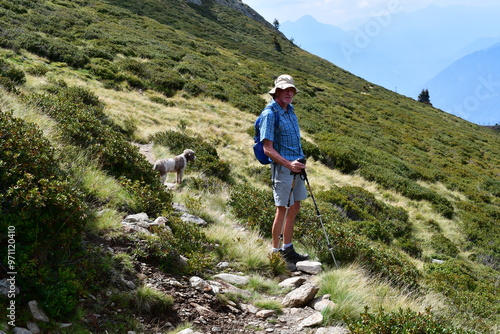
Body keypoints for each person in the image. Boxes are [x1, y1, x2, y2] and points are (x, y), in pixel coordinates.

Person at [258, 74, 309, 264]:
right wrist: (289, 164)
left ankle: (288, 249)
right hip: (283, 169)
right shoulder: (270, 114)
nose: (289, 93)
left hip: (297, 167)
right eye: (285, 90)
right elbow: (267, 149)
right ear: (277, 92)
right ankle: (275, 252)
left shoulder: (290, 109)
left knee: (294, 207)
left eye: (292, 90)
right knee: (282, 209)